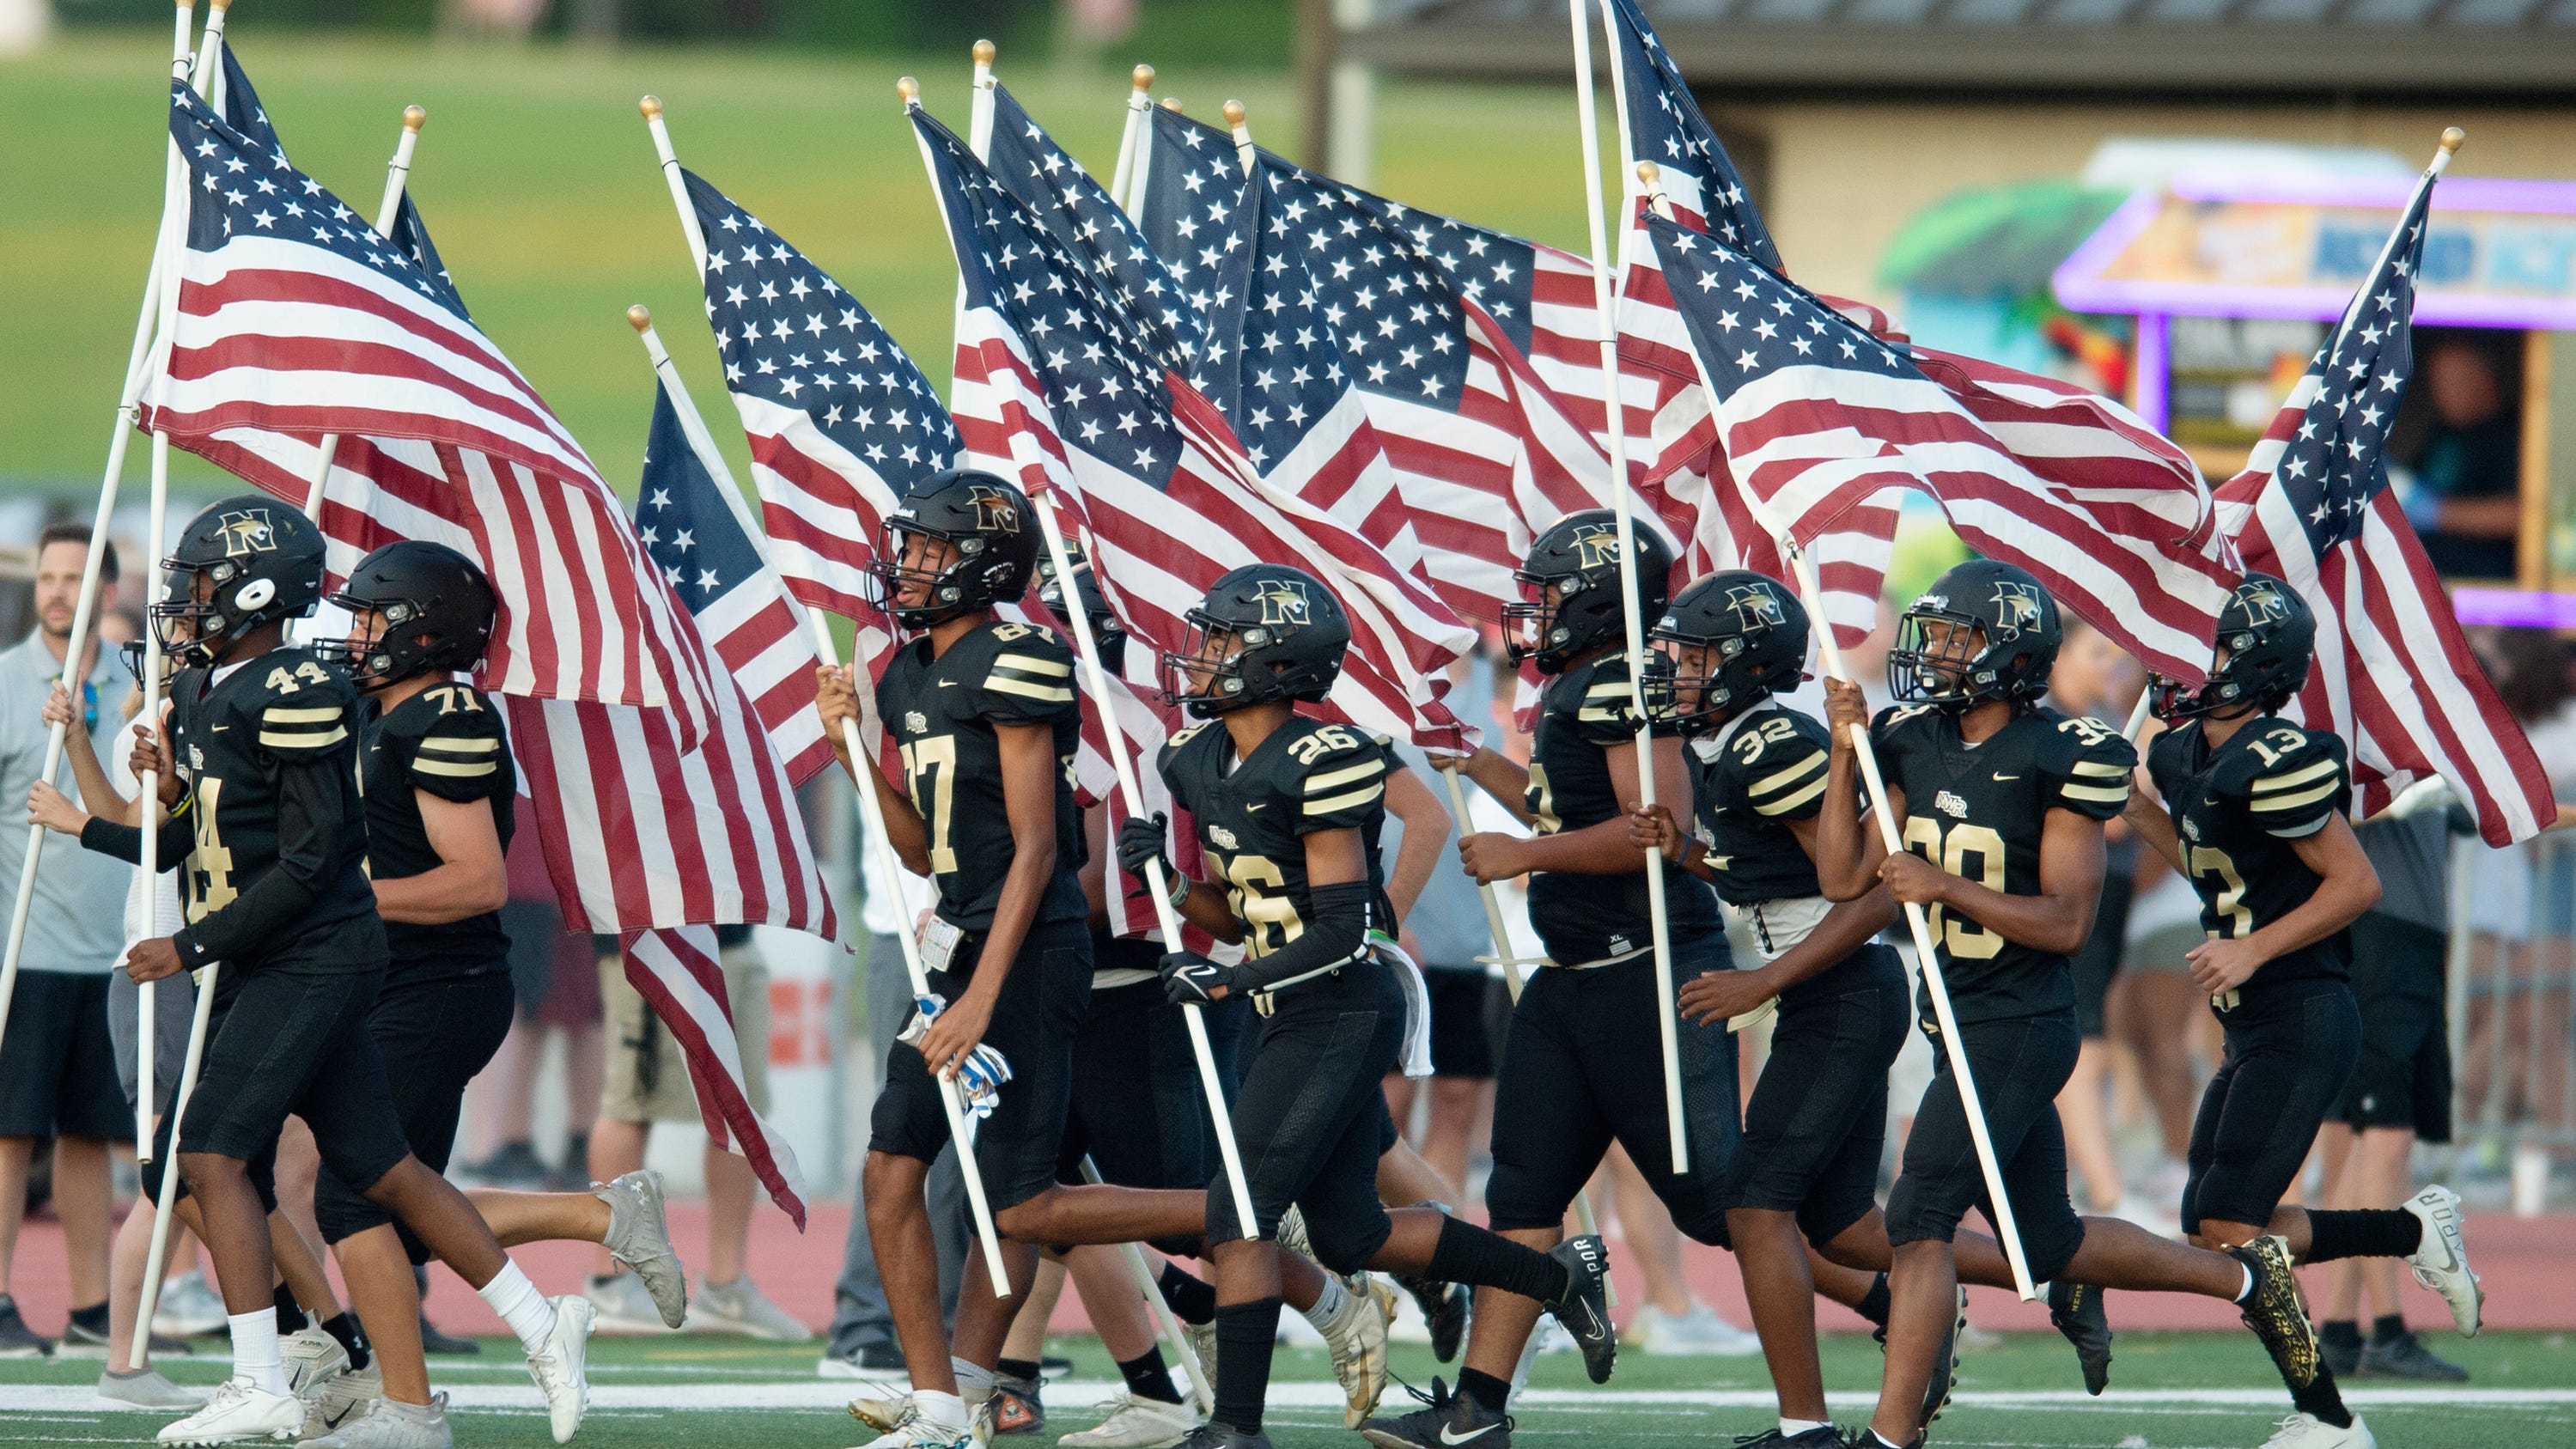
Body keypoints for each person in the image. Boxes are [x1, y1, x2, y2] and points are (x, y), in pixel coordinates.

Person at [39, 498, 594, 1448]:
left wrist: (189, 945)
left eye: (200, 584)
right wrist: (130, 804)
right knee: (377, 1167)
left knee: (206, 1154)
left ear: (254, 592)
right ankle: (544, 1326)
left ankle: (265, 1375)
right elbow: (191, 840)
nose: (184, 601)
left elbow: (308, 863)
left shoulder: (296, 689)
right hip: (280, 955)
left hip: (312, 954)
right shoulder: (209, 688)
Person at [1362, 516, 1853, 1449]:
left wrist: (1525, 855)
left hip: (1649, 967)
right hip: (1574, 974)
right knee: (1522, 1192)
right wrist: (1476, 760)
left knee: (1719, 1205)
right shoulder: (1579, 684)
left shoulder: (1625, 680)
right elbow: (1565, 807)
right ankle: (1477, 1410)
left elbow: (1656, 826)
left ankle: (1899, 1297)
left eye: (1550, 594)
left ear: (1595, 599)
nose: (1535, 610)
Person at [1812, 559, 2327, 1449]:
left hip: (2021, 1023)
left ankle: (1890, 1437)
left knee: (1918, 1215)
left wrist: (1942, 884)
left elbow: (2065, 923)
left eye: (1954, 639)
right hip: (1954, 1018)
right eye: (1933, 636)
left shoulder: (2061, 753)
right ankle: (2247, 1278)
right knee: (2045, 1241)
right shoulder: (1907, 738)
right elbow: (1840, 875)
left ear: (2007, 652)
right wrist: (1838, 752)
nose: (1932, 654)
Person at [1119, 562, 1613, 1449]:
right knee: (1349, 1230)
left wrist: (1230, 981)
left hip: (1339, 1006)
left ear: (1276, 663)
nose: (1200, 655)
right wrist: (1172, 883)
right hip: (1282, 1008)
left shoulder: (1322, 759)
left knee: (1240, 1212)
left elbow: (1345, 927)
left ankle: (1236, 1428)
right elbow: (1244, 913)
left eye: (1221, 641)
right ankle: (1554, 1278)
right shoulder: (1196, 758)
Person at [1627, 570, 2093, 1445]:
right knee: (1843, 1228)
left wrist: (1765, 980)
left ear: (1745, 663)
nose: (1674, 673)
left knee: (1754, 1203)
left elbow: (1867, 888)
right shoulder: (1724, 740)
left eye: (1692, 658)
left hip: (1842, 990)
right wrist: (1686, 851)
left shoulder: (1774, 743)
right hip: (1825, 992)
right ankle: (2033, 1273)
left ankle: (1804, 1424)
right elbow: (1775, 875)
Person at [254, 539, 688, 1446]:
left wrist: (341, 898)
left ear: (424, 634)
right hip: (387, 983)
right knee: (401, 1213)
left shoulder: (447, 717)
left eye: (372, 619)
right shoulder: (378, 713)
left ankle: (407, 1408)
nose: (355, 635)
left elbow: (476, 879)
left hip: (439, 984)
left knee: (355, 1201)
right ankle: (597, 1216)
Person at [2125, 572, 2484, 1446]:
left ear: (2255, 666)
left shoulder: (2275, 755)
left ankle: (2328, 1415)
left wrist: (2252, 947)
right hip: (2252, 1020)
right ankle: (2409, 1229)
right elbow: (2210, 865)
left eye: (2212, 646)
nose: (2192, 661)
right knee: (2211, 1227)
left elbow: (2354, 882)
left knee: (2229, 1222)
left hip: (2302, 1010)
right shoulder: (2182, 752)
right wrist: (2133, 806)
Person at [0, 522, 135, 1359]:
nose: (57, 591)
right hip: (24, 951)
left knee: (92, 1132)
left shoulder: (140, 685)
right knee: (11, 1132)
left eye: (75, 578)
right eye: (47, 577)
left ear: (107, 592)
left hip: (114, 953)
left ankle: (92, 1308)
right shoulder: (6, 682)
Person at [2316, 801, 2484, 1385]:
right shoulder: (2374, 755)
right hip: (2377, 939)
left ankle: (2339, 1328)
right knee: (2384, 1140)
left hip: (2409, 946)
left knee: (2371, 1144)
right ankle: (2386, 1328)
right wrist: (2399, 791)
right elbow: (2327, 806)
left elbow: (2499, 806)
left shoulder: (2430, 765)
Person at [584, 921, 806, 1342]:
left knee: (741, 1112)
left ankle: (726, 1286)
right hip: (655, 938)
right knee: (630, 1104)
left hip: (733, 935)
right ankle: (612, 1280)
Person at [2046, 617, 2169, 1233]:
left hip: (2106, 896)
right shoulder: (2061, 726)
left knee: (2088, 1035)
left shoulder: (2096, 718)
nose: (2112, 667)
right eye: (2096, 653)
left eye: (2118, 656)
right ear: (2058, 657)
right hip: (2075, 899)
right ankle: (2107, 1192)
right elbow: (2118, 819)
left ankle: (2081, 1182)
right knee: (2084, 1040)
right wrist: (2145, 741)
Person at [2400, 340, 2522, 581]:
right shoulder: (2443, 433)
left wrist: (2439, 514)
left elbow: (2522, 514)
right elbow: (2413, 486)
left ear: (2484, 379)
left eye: (2453, 382)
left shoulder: (2513, 433)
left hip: (2484, 582)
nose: (2443, 393)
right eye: (2438, 383)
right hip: (2427, 580)